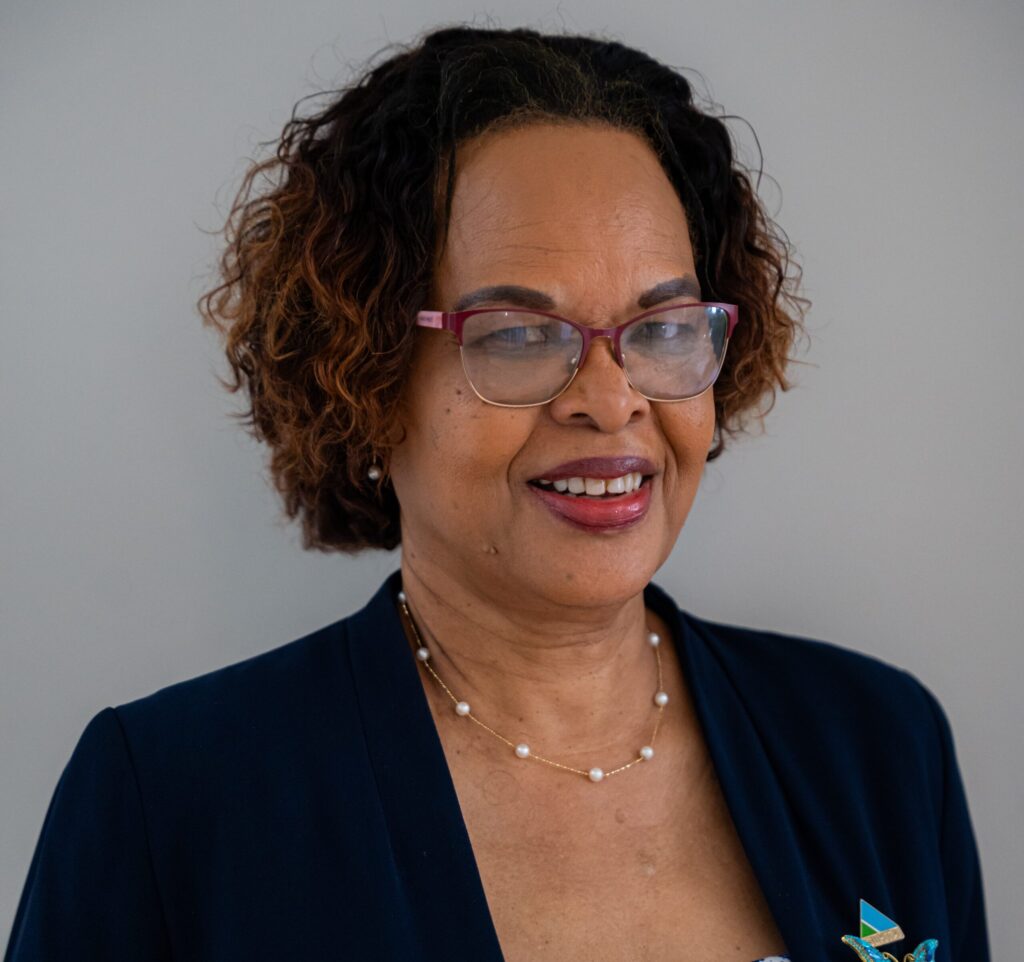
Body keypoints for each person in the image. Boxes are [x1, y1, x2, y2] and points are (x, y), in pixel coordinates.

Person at [4, 25, 989, 962]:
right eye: (518, 335)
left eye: (661, 327)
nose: (612, 400)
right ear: (367, 376)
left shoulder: (879, 747)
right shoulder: (169, 798)